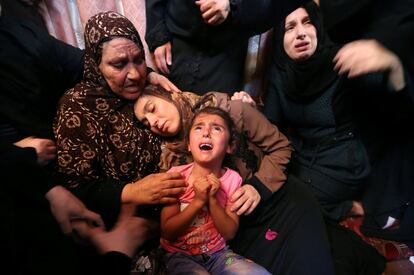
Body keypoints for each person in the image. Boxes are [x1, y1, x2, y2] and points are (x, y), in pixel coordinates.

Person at [134, 85, 336, 274]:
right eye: (146, 123)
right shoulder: (171, 161)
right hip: (231, 228)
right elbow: (175, 227)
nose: (153, 122)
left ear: (170, 95)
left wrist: (257, 187)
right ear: (188, 144)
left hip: (276, 201)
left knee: (312, 260)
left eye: (152, 109)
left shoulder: (233, 110)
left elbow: (282, 147)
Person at [262, 2, 411, 222]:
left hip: (343, 161)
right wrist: (246, 106)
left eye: (307, 23)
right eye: (290, 28)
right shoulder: (281, 74)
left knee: (295, 201)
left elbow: (398, 105)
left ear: (319, 28)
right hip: (303, 157)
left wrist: (393, 66)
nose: (301, 33)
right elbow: (271, 126)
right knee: (271, 190)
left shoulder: (342, 60)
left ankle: (350, 207)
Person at [159, 106, 270, 274]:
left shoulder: (233, 180)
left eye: (216, 128)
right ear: (189, 144)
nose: (206, 133)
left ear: (229, 147)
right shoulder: (176, 176)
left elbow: (229, 232)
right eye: (199, 127)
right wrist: (198, 201)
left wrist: (212, 199)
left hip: (219, 255)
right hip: (178, 255)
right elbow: (168, 232)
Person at [145, 0, 308, 94]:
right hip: (177, 38)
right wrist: (158, 34)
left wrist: (233, 4)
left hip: (225, 50)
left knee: (215, 125)